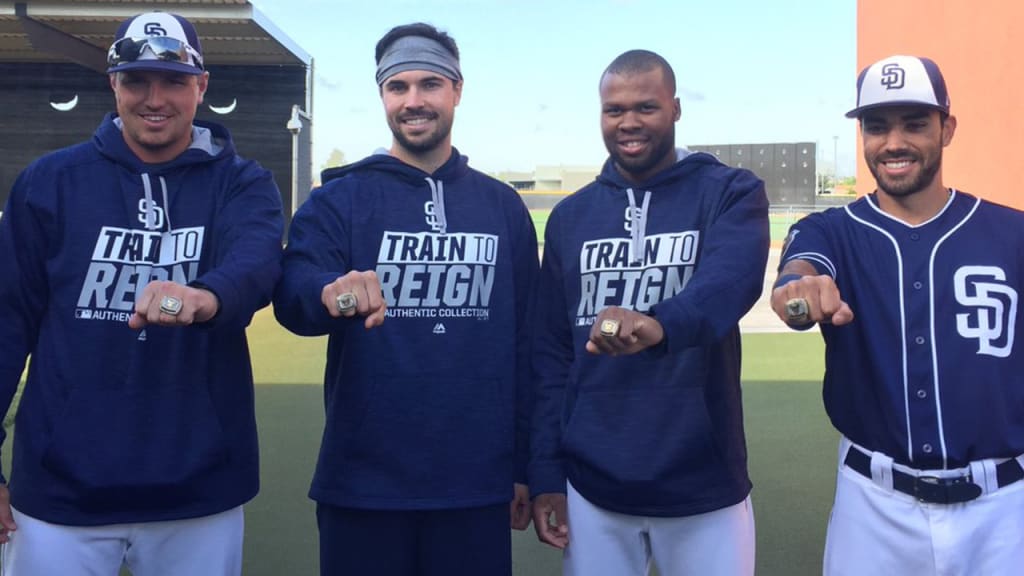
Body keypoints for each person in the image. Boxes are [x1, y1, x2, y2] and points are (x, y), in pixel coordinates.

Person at [0, 10, 283, 575]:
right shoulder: (50, 182)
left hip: (199, 492)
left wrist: (205, 296)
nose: (155, 97)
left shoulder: (242, 182)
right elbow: (7, 322)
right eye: (137, 80)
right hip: (61, 493)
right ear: (114, 85)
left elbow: (255, 262)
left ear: (201, 86)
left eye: (174, 80)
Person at [272, 22, 537, 576]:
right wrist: (328, 292)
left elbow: (527, 346)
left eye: (430, 84)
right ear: (383, 96)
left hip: (476, 485)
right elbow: (292, 295)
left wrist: (527, 465)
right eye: (398, 87)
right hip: (363, 483)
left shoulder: (502, 207)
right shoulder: (339, 199)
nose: (413, 101)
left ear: (457, 90)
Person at [771, 54, 1024, 575]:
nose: (893, 143)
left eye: (914, 124)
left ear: (946, 129)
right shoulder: (832, 230)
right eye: (876, 126)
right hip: (874, 508)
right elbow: (796, 280)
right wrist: (800, 295)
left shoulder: (1012, 234)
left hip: (1005, 509)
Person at [529, 49, 768, 576]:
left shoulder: (729, 191)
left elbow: (732, 283)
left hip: (703, 483)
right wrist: (546, 473)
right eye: (614, 110)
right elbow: (549, 356)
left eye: (646, 107)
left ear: (676, 108)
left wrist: (661, 324)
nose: (629, 122)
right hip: (593, 487)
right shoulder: (571, 217)